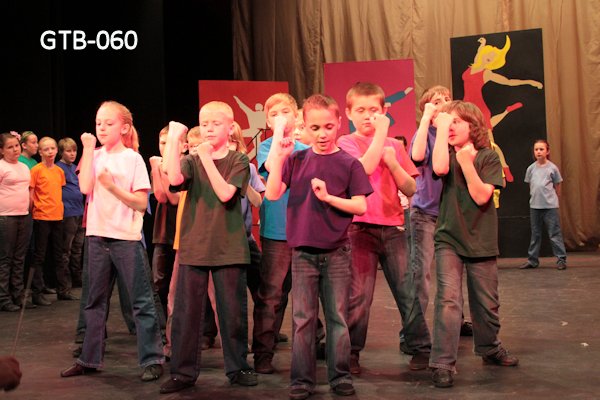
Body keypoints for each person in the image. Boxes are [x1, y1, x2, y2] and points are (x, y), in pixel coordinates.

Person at [265, 94, 372, 400]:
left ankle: (340, 376)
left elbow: (360, 206)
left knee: (337, 317)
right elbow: (272, 194)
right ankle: (301, 380)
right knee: (303, 319)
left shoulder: (349, 163)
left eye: (328, 126)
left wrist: (328, 198)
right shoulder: (297, 160)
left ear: (338, 123)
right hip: (303, 253)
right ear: (305, 126)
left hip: (337, 252)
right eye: (315, 128)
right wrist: (279, 157)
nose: (322, 134)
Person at [61, 100, 165, 382]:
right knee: (93, 302)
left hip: (126, 239)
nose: (102, 128)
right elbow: (85, 187)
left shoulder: (132, 159)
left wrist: (112, 187)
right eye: (98, 123)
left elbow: (141, 203)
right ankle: (89, 358)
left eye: (109, 123)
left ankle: (152, 359)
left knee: (141, 302)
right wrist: (87, 149)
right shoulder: (93, 155)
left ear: (124, 127)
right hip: (97, 237)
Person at [160, 101, 256, 394]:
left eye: (216, 123)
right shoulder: (191, 160)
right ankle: (182, 372)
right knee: (186, 314)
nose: (209, 129)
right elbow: (173, 179)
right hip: (194, 247)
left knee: (232, 313)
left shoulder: (239, 160)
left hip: (229, 247)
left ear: (230, 127)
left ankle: (238, 367)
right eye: (204, 123)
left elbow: (226, 194)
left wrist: (206, 158)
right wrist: (174, 140)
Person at [337, 82, 429, 373]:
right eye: (361, 110)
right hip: (359, 229)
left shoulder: (394, 146)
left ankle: (420, 347)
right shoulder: (345, 143)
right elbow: (363, 168)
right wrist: (380, 135)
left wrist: (393, 162)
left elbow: (411, 188)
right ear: (349, 113)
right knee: (359, 295)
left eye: (373, 110)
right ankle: (351, 352)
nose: (368, 116)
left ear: (384, 111)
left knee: (407, 291)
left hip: (392, 227)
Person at [429, 100, 518, 389]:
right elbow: (439, 167)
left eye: (456, 121)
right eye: (448, 122)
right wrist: (441, 130)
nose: (450, 126)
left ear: (473, 125)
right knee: (448, 300)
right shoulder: (446, 155)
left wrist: (467, 162)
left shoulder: (488, 157)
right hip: (449, 238)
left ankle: (490, 348)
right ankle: (442, 362)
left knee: (486, 302)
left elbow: (481, 196)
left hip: (481, 238)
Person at [252, 93, 311, 374]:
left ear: (297, 116)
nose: (280, 118)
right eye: (273, 114)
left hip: (304, 231)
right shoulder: (266, 147)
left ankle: (312, 346)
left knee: (304, 294)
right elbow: (273, 167)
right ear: (267, 121)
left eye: (285, 112)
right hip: (276, 232)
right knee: (271, 294)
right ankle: (263, 352)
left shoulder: (307, 149)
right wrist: (277, 132)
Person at [29, 137, 73, 305]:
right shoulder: (36, 170)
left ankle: (63, 290)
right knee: (40, 255)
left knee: (59, 255)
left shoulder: (59, 171)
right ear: (40, 152)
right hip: (41, 217)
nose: (50, 152)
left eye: (52, 148)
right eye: (46, 149)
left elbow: (57, 192)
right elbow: (32, 194)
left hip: (57, 216)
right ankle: (37, 293)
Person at [149, 126, 181, 322]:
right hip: (162, 231)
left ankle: (179, 322)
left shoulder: (183, 166)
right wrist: (156, 169)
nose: (165, 147)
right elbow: (160, 196)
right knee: (159, 280)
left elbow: (174, 198)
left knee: (180, 282)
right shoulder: (158, 166)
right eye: (162, 143)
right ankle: (163, 322)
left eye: (169, 143)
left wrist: (162, 172)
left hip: (181, 232)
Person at [520, 139, 567, 270]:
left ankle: (561, 259)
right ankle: (532, 260)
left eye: (541, 149)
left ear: (547, 151)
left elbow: (557, 185)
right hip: (535, 206)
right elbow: (531, 185)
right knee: (535, 234)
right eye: (536, 149)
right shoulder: (531, 168)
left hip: (550, 206)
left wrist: (554, 199)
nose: (539, 152)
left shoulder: (552, 168)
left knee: (554, 233)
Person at [0, 133, 33, 311]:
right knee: (6, 258)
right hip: (6, 217)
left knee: (20, 258)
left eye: (16, 146)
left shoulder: (24, 167)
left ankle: (18, 295)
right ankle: (3, 298)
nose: (15, 149)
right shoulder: (1, 166)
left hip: (24, 215)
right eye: (9, 147)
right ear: (2, 150)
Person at [56, 138, 85, 288]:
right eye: (68, 151)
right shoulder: (58, 168)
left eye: (74, 150)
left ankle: (77, 279)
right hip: (67, 213)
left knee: (78, 248)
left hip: (80, 211)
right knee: (65, 249)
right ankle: (64, 282)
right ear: (61, 152)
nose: (72, 154)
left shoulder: (75, 167)